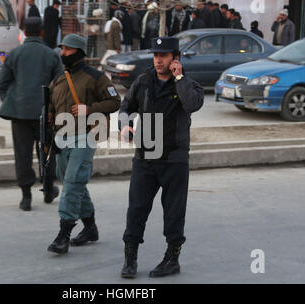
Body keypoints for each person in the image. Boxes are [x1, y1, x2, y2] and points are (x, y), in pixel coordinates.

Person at [118, 37, 204, 278]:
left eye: (163, 56)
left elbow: (192, 104)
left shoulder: (189, 85)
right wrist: (125, 126)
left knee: (174, 212)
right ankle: (130, 258)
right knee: (136, 208)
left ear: (175, 58)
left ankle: (172, 259)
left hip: (174, 159)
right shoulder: (143, 81)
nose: (158, 60)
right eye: (156, 55)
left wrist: (179, 78)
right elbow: (126, 107)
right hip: (145, 156)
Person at [47, 34, 121, 254]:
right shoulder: (59, 79)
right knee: (73, 182)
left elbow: (115, 101)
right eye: (62, 49)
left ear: (79, 52)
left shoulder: (95, 77)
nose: (63, 53)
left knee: (71, 183)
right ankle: (90, 227)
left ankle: (63, 234)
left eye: (68, 50)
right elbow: (52, 105)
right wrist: (50, 117)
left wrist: (89, 109)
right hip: (61, 137)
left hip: (84, 136)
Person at [0, 17, 62, 211]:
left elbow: (2, 85)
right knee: (47, 153)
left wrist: (13, 102)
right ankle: (49, 190)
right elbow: (60, 86)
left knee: (22, 154)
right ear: (42, 32)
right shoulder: (51, 55)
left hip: (19, 114)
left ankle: (26, 197)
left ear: (24, 32)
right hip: (45, 114)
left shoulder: (15, 54)